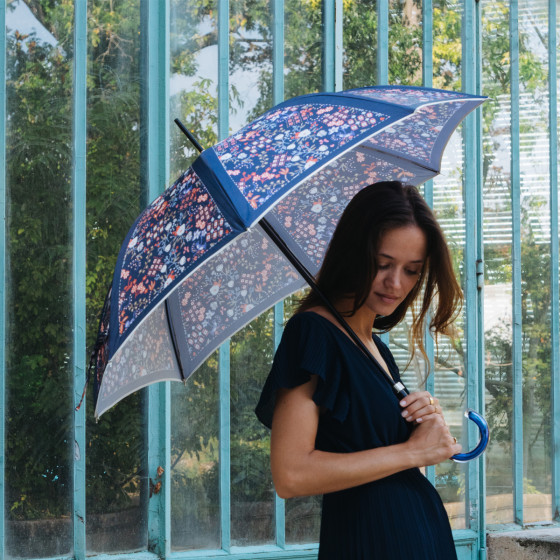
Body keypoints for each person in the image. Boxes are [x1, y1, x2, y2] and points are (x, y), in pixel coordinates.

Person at [255, 181, 464, 559]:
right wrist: (413, 452)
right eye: (382, 264)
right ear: (354, 253)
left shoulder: (376, 347)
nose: (395, 283)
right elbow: (291, 474)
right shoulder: (313, 334)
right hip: (368, 541)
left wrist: (423, 417)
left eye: (412, 270)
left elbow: (381, 444)